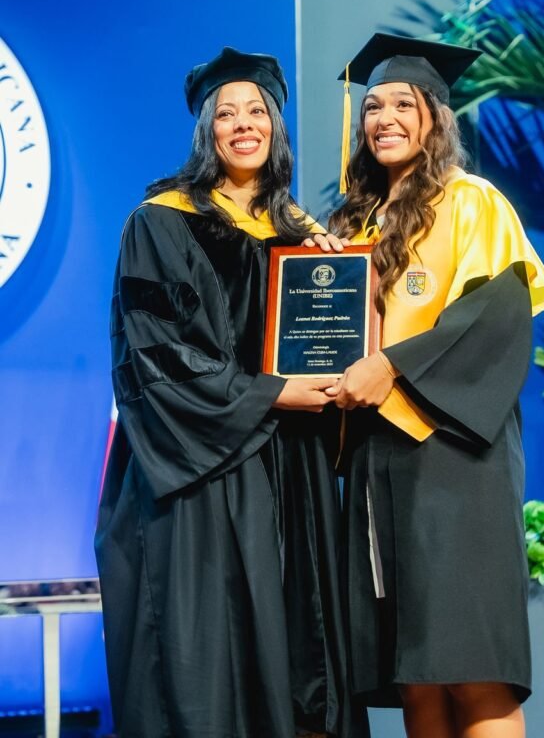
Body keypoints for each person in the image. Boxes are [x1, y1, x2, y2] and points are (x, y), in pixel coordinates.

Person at [95, 47, 367, 738]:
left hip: (294, 470)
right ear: (206, 132)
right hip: (205, 473)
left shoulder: (302, 235)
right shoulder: (161, 223)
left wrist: (338, 287)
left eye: (256, 112)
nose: (244, 125)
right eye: (226, 114)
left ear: (276, 126)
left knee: (302, 660)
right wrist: (272, 394)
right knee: (212, 667)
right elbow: (158, 358)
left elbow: (335, 344)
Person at [326, 34, 544, 738]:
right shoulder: (356, 221)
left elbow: (494, 318)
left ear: (435, 116)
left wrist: (391, 367)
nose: (384, 118)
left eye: (403, 103)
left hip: (453, 454)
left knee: (474, 672)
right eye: (373, 106)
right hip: (377, 457)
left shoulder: (472, 202)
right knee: (417, 678)